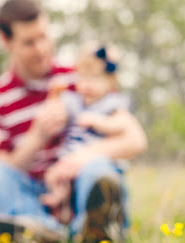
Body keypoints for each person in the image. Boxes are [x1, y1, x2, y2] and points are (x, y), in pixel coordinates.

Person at [0, 0, 147, 243]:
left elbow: (135, 139)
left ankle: (93, 225)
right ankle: (42, 230)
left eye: (44, 36)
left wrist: (80, 159)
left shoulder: (81, 79)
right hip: (33, 193)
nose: (41, 49)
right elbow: (6, 168)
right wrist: (37, 136)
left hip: (80, 184)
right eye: (29, 42)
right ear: (5, 42)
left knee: (98, 171)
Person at [39, 42, 131, 224]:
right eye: (84, 79)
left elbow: (123, 124)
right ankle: (61, 208)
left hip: (98, 160)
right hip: (69, 159)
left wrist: (99, 121)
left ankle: (106, 219)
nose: (88, 86)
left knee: (100, 178)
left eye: (95, 79)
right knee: (53, 175)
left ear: (110, 81)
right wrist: (54, 95)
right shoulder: (74, 102)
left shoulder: (112, 103)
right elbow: (56, 113)